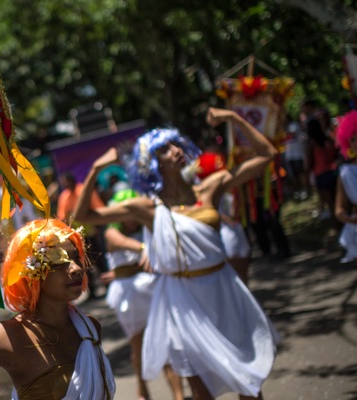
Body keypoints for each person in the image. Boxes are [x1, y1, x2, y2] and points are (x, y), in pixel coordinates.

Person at [74, 108, 280, 399]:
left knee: (249, 381)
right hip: (184, 303)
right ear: (151, 164)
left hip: (225, 291)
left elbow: (267, 154)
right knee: (201, 390)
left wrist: (234, 119)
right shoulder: (148, 208)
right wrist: (96, 169)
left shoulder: (209, 188)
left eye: (175, 145)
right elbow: (84, 215)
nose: (175, 152)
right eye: (164, 150)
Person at [0, 219, 116, 399]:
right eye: (59, 261)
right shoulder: (6, 337)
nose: (76, 268)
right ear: (31, 274)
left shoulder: (90, 328)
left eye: (75, 257)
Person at [102, 186, 184, 400]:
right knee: (137, 345)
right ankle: (142, 390)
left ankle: (178, 395)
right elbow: (119, 242)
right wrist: (143, 248)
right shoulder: (112, 231)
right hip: (131, 298)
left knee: (167, 342)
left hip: (154, 290)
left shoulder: (147, 226)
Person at [197, 151, 252, 284]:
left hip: (235, 231)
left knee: (242, 273)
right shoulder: (203, 190)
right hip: (224, 234)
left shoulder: (227, 186)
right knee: (233, 277)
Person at [334, 109, 357, 311]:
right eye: (354, 139)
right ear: (349, 144)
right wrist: (352, 220)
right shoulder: (346, 173)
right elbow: (339, 210)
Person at [306, 114, 340, 221]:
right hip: (334, 172)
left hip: (321, 175)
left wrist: (308, 179)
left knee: (331, 204)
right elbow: (336, 153)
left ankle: (339, 227)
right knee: (337, 202)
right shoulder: (328, 139)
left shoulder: (311, 143)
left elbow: (309, 162)